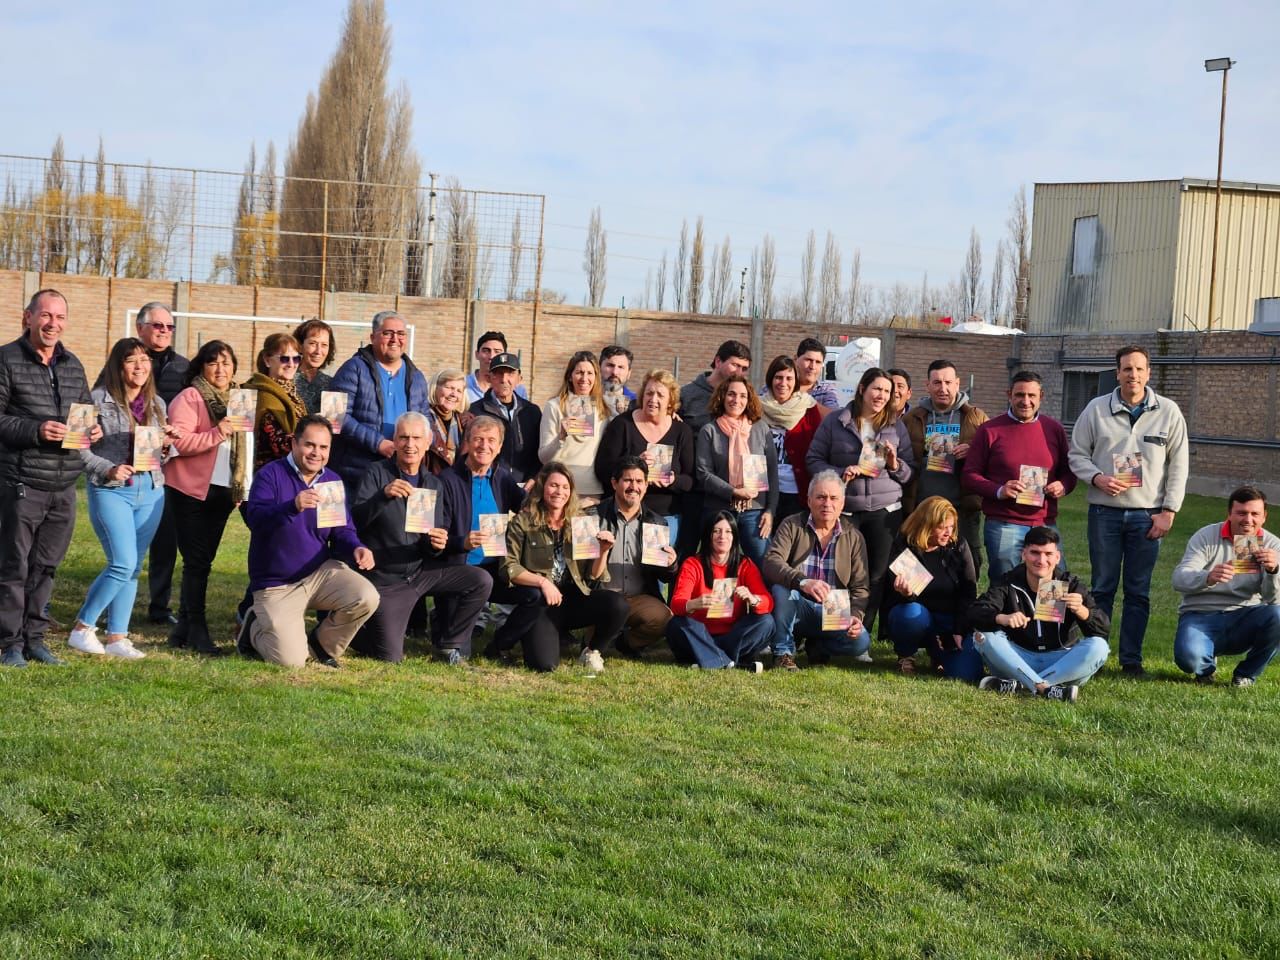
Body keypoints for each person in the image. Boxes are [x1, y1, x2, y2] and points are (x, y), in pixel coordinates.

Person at [1068, 344, 1189, 677]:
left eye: (1139, 369)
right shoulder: (1095, 409)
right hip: (1104, 513)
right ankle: (1098, 655)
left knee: (1138, 591)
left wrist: (1169, 511)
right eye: (1126, 369)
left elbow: (1179, 466)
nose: (1132, 375)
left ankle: (1131, 660)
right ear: (1117, 373)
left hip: (1147, 516)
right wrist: (1097, 477)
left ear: (1148, 373)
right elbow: (1076, 454)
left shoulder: (1168, 411)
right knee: (1103, 587)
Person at [0, 289, 99, 668]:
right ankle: (9, 643)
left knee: (46, 567)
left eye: (59, 317)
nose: (52, 324)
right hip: (22, 482)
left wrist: (94, 429)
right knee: (14, 565)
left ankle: (35, 639)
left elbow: (86, 411)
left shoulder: (72, 364)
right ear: (28, 317)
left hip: (63, 486)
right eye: (45, 316)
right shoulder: (6, 359)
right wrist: (37, 430)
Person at [350, 412, 491, 664]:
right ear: (394, 440)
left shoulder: (433, 484)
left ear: (428, 443)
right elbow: (355, 522)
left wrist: (436, 544)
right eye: (403, 437)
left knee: (480, 580)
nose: (410, 444)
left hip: (420, 574)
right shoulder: (376, 473)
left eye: (416, 438)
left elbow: (430, 543)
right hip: (387, 580)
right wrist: (382, 496)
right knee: (390, 657)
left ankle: (450, 645)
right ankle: (360, 633)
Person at [238, 416, 379, 667]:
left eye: (323, 447)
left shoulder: (331, 481)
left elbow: (342, 529)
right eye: (309, 445)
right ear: (294, 443)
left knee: (366, 595)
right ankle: (254, 629)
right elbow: (255, 519)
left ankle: (322, 645)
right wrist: (292, 506)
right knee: (291, 662)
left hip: (318, 574)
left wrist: (357, 547)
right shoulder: (270, 474)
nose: (316, 453)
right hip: (276, 584)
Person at [67, 338, 177, 660]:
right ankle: (82, 628)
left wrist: (168, 444)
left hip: (151, 490)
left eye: (145, 360)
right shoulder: (94, 399)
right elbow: (76, 447)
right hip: (111, 489)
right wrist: (108, 468)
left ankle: (117, 637)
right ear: (118, 365)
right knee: (122, 562)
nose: (140, 366)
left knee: (133, 567)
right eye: (132, 360)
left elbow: (159, 457)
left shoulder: (158, 403)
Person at [806, 366, 914, 637]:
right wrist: (839, 474)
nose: (881, 395)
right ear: (862, 389)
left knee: (875, 576)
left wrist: (894, 463)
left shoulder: (895, 426)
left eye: (887, 392)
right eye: (877, 388)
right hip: (846, 510)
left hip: (884, 511)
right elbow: (813, 460)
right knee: (840, 573)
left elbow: (909, 472)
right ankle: (831, 632)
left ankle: (860, 634)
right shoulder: (836, 421)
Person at [490, 462, 629, 672]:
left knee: (619, 605)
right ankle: (510, 639)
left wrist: (603, 551)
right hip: (543, 604)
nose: (559, 492)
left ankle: (592, 651)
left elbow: (593, 577)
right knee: (544, 665)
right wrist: (542, 582)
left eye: (565, 487)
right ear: (542, 487)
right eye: (553, 485)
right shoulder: (523, 522)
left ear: (571, 491)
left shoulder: (581, 522)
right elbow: (508, 566)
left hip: (573, 598)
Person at [163, 340, 248, 656]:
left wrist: (242, 486)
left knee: (201, 562)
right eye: (213, 363)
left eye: (227, 363)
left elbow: (244, 448)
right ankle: (197, 629)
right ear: (201, 367)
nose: (221, 369)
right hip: (189, 491)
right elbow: (180, 442)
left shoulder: (238, 399)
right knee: (197, 563)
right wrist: (219, 431)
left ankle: (182, 629)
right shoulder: (190, 397)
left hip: (223, 492)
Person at [968, 526, 1111, 702]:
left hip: (1061, 660)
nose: (1041, 560)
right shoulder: (1008, 582)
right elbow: (975, 612)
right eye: (1035, 553)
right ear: (1024, 554)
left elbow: (1103, 628)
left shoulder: (1070, 585)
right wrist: (1002, 618)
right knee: (984, 637)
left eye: (1048, 554)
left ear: (1057, 557)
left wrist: (1082, 611)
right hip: (1018, 658)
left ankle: (1022, 686)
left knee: (1099, 646)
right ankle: (1047, 689)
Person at [962, 371, 1077, 580]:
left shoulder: (1054, 429)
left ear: (1041, 396)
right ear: (1009, 395)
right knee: (1005, 584)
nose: (1026, 401)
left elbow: (1069, 472)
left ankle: (1040, 615)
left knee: (1051, 587)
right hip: (1004, 523)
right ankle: (1008, 614)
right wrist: (999, 490)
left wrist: (1063, 485)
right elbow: (970, 475)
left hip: (1044, 522)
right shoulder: (990, 430)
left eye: (1031, 396)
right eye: (1020, 395)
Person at [1171, 486, 1280, 687]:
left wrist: (1274, 571)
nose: (1248, 520)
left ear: (1264, 516)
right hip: (1200, 614)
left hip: (1246, 615)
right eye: (1241, 513)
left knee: (1278, 615)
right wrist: (1208, 577)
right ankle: (1205, 668)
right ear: (1229, 513)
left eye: (1255, 514)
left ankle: (1246, 674)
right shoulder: (1206, 536)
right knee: (1189, 661)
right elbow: (1179, 579)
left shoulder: (1273, 545)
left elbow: (1273, 600)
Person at [762, 470, 871, 671]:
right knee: (781, 589)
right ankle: (783, 652)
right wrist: (803, 581)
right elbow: (771, 561)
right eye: (821, 497)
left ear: (842, 503)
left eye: (833, 498)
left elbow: (861, 587)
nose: (827, 503)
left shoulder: (854, 536)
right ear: (809, 500)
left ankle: (819, 646)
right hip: (797, 605)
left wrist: (855, 615)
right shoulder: (792, 524)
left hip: (833, 611)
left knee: (862, 641)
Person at [438, 415, 528, 642]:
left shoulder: (502, 478)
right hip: (459, 568)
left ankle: (500, 643)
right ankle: (444, 618)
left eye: (491, 440)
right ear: (467, 442)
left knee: (534, 595)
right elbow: (436, 536)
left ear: (499, 448)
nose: (484, 446)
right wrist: (462, 542)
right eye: (478, 439)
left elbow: (528, 509)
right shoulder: (447, 480)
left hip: (495, 567)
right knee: (452, 646)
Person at [129, 302, 189, 627]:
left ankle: (159, 607)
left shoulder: (183, 368)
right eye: (157, 326)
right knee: (128, 542)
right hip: (127, 468)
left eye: (169, 327)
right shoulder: (124, 362)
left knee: (166, 539)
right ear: (140, 328)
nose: (164, 331)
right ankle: (119, 598)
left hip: (166, 469)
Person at [903, 359, 989, 576]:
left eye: (948, 382)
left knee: (968, 570)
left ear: (958, 383)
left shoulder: (976, 417)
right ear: (928, 385)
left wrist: (973, 452)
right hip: (921, 508)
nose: (943, 388)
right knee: (915, 571)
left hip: (962, 509)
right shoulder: (911, 419)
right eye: (937, 382)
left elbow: (993, 459)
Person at [883, 496, 981, 680]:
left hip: (949, 621)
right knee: (909, 613)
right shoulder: (903, 546)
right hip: (917, 616)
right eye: (942, 527)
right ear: (925, 525)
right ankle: (906, 654)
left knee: (967, 673)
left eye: (951, 527)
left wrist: (959, 630)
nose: (948, 533)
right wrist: (907, 594)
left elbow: (969, 594)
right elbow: (890, 596)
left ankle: (938, 654)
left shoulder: (958, 546)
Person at [593, 368, 693, 545]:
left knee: (657, 570)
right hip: (623, 514)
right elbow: (602, 468)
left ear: (671, 400)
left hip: (664, 516)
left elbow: (690, 479)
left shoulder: (681, 431)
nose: (653, 399)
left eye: (660, 395)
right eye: (649, 393)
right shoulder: (623, 424)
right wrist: (634, 464)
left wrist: (673, 480)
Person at [330, 310, 429, 488]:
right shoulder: (352, 368)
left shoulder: (417, 377)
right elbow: (333, 417)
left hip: (401, 472)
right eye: (387, 333)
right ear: (372, 337)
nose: (394, 339)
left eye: (400, 334)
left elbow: (426, 421)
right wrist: (378, 443)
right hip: (356, 472)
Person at [667, 510, 775, 671]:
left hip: (733, 636)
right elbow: (676, 604)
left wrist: (753, 599)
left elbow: (768, 602)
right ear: (708, 535)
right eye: (716, 531)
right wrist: (695, 603)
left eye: (728, 531)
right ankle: (729, 662)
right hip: (699, 634)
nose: (722, 536)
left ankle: (710, 658)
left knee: (766, 622)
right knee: (676, 625)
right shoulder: (692, 564)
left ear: (734, 537)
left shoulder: (745, 565)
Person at [595, 456, 678, 657]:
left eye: (639, 481)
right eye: (628, 480)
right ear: (614, 483)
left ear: (646, 485)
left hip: (638, 597)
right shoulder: (594, 516)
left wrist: (671, 564)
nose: (634, 487)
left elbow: (664, 577)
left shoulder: (656, 523)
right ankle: (598, 635)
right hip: (603, 597)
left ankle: (626, 643)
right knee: (593, 643)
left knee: (663, 618)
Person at [695, 375, 779, 566]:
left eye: (743, 396)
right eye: (731, 394)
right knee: (717, 565)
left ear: (749, 399)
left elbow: (772, 473)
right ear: (722, 397)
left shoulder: (761, 429)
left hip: (755, 511)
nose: (737, 400)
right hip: (719, 509)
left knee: (765, 563)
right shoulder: (709, 431)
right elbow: (703, 473)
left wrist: (770, 511)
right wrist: (733, 491)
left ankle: (763, 597)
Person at [538, 351, 609, 506]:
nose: (584, 378)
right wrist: (561, 437)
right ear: (570, 376)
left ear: (596, 378)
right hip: (559, 491)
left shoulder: (604, 408)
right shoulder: (554, 406)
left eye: (590, 373)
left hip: (591, 492)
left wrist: (671, 414)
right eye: (579, 372)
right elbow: (543, 457)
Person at [760, 355, 825, 523]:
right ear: (770, 379)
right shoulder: (757, 408)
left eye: (789, 378)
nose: (783, 383)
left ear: (795, 381)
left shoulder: (809, 408)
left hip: (797, 492)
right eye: (778, 377)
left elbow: (820, 449)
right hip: (762, 492)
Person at [469, 351, 541, 484]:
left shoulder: (532, 412)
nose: (504, 379)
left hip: (526, 487)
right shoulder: (476, 411)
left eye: (510, 374)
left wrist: (533, 479)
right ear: (489, 378)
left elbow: (538, 453)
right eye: (498, 373)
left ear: (519, 378)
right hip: (489, 485)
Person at [245, 332, 309, 471]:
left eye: (296, 358)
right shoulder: (265, 397)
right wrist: (313, 435)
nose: (291, 364)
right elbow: (281, 446)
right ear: (267, 360)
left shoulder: (291, 393)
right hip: (272, 474)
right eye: (284, 359)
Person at [679, 339, 752, 433]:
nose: (739, 372)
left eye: (744, 368)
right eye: (735, 365)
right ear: (718, 361)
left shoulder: (745, 399)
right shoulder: (685, 395)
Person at [424, 367, 473, 475]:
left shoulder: (468, 423)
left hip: (457, 485)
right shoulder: (422, 420)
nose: (454, 394)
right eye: (449, 388)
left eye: (459, 391)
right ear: (435, 388)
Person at [465, 330, 528, 406]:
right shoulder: (463, 385)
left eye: (497, 351)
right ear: (477, 354)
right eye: (486, 351)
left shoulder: (518, 389)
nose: (491, 356)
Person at [292, 317, 336, 414]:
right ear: (299, 346)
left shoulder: (332, 384)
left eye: (324, 345)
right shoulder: (286, 380)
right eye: (313, 343)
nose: (318, 351)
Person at [794, 337, 839, 410]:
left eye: (818, 362)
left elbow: (832, 417)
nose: (812, 367)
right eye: (808, 360)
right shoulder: (783, 385)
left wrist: (806, 400)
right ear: (796, 359)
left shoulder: (826, 390)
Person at [599, 344, 636, 418]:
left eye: (621, 367)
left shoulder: (637, 403)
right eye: (610, 365)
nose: (615, 372)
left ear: (629, 373)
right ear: (599, 368)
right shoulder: (584, 399)